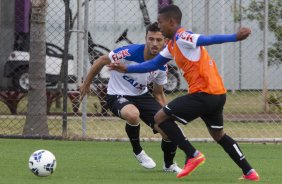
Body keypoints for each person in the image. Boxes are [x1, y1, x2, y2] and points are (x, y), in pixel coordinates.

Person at [108, 5, 260, 182]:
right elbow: (152, 65)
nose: (160, 25)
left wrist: (235, 37)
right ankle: (249, 171)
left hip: (203, 94)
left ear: (172, 22)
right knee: (219, 135)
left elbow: (207, 39)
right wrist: (126, 68)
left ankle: (192, 154)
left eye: (161, 22)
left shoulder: (182, 36)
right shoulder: (171, 45)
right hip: (218, 95)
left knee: (160, 118)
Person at [80, 22, 182, 173]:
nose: (154, 43)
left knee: (169, 130)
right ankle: (138, 151)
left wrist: (166, 114)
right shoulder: (129, 52)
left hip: (142, 96)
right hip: (117, 95)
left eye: (158, 40)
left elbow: (158, 93)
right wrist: (86, 83)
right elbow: (102, 60)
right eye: (151, 39)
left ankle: (169, 165)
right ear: (145, 38)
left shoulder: (162, 64)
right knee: (133, 114)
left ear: (165, 42)